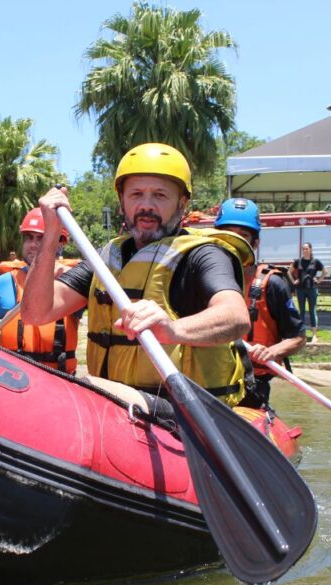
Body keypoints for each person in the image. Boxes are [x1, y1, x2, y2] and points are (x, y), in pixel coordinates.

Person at [21, 142, 255, 415]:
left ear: (182, 203)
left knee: (84, 386)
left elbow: (236, 317)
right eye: (136, 194)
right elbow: (35, 314)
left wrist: (170, 329)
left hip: (187, 407)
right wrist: (51, 234)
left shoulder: (203, 256)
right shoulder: (107, 259)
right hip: (120, 403)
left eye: (159, 195)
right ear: (122, 201)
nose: (146, 206)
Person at [0, 207, 79, 374]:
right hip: (15, 380)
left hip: (59, 381)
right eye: (29, 238)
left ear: (59, 241)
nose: (32, 245)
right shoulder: (4, 283)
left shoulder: (72, 282)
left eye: (41, 238)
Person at [214, 198, 306, 409]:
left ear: (255, 243)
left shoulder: (272, 284)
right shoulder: (200, 278)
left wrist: (272, 352)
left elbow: (298, 338)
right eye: (228, 235)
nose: (234, 243)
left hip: (252, 382)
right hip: (210, 378)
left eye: (243, 236)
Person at [291, 242, 326, 342]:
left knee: (312, 311)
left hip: (312, 289)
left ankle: (314, 334)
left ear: (310, 250)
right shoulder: (298, 261)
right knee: (301, 311)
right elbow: (290, 271)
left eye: (306, 249)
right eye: (303, 249)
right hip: (300, 289)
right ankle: (301, 334)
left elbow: (325, 272)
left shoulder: (315, 262)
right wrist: (294, 280)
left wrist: (318, 280)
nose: (305, 251)